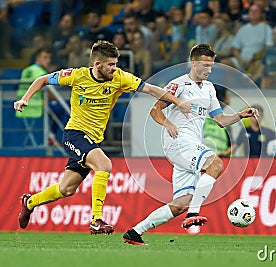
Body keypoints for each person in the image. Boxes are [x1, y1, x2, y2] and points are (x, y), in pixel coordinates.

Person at [14, 40, 193, 234]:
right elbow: (42, 80)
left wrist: (177, 101)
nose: (114, 68)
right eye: (110, 64)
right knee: (105, 165)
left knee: (66, 189)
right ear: (97, 64)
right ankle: (96, 220)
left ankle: (30, 202)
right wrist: (25, 98)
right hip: (74, 134)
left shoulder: (120, 78)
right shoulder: (76, 75)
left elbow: (150, 89)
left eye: (115, 64)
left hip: (93, 139)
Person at [122, 44, 258, 245]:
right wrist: (167, 123)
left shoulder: (210, 88)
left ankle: (135, 232)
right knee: (216, 164)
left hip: (191, 144)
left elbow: (219, 119)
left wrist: (239, 115)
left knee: (180, 204)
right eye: (205, 65)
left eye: (211, 66)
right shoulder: (178, 85)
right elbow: (155, 110)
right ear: (194, 63)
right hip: (178, 141)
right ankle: (194, 213)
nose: (209, 70)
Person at [203, 85, 233, 157]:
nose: (230, 98)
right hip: (206, 159)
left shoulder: (227, 120)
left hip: (222, 160)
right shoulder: (203, 118)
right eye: (228, 95)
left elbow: (232, 144)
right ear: (222, 98)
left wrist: (224, 154)